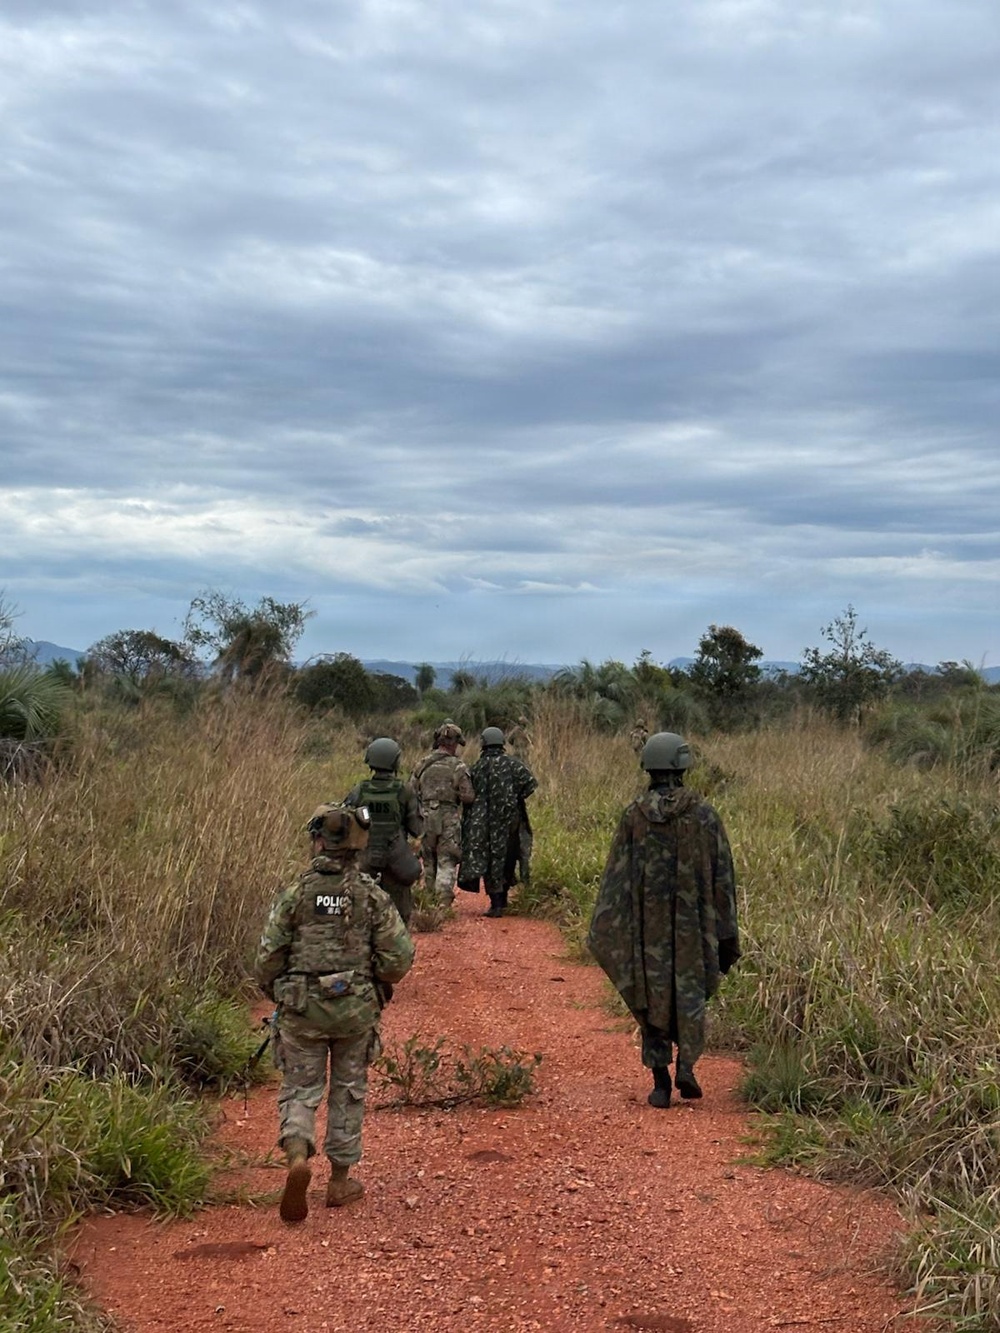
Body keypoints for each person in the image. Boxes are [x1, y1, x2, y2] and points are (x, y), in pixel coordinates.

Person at [253, 803, 415, 1223]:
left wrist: (279, 991)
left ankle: (296, 1156)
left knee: (300, 1087)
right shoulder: (371, 895)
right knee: (348, 1089)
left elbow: (267, 958)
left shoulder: (295, 894)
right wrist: (373, 980)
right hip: (354, 1011)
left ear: (319, 842)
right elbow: (399, 957)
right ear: (357, 846)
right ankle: (340, 1181)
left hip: (302, 1009)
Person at [586, 732, 739, 1108]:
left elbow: (615, 879)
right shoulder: (704, 815)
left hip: (647, 929)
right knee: (689, 995)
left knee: (651, 996)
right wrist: (726, 932)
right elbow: (724, 877)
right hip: (693, 928)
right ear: (682, 765)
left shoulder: (633, 816)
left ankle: (660, 1083)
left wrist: (610, 928)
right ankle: (687, 1064)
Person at [458, 726, 538, 918]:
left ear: (483, 743)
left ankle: (496, 903)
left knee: (489, 860)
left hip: (483, 824)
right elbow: (529, 785)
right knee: (508, 858)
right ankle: (504, 899)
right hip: (509, 822)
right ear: (502, 743)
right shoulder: (514, 765)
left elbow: (467, 794)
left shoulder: (476, 767)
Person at [342, 737, 422, 925]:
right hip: (396, 863)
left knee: (361, 915)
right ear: (395, 761)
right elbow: (417, 829)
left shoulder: (359, 790)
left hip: (365, 863)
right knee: (399, 919)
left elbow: (345, 821)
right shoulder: (404, 791)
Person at [411, 720, 475, 908]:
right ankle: (443, 903)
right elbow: (468, 796)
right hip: (448, 818)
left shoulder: (421, 765)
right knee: (447, 859)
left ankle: (427, 900)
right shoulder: (458, 767)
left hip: (425, 816)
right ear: (454, 744)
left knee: (428, 858)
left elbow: (410, 791)